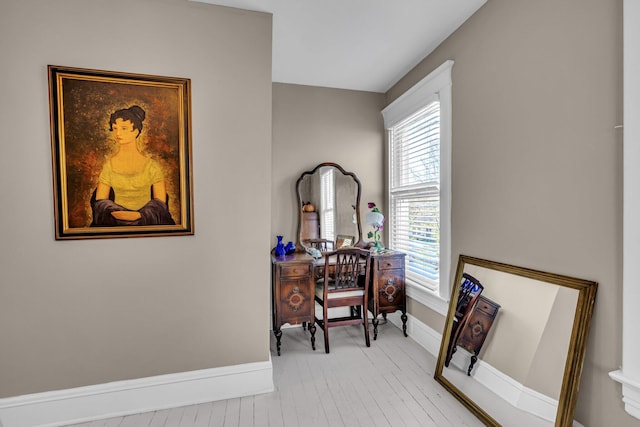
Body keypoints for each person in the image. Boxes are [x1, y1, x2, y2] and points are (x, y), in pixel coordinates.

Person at [91, 105, 175, 226]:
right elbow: (100, 202)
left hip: (146, 222)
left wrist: (140, 215)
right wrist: (117, 213)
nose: (118, 133)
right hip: (115, 220)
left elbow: (160, 204)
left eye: (124, 128)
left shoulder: (152, 166)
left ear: (136, 131)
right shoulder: (109, 166)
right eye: (115, 128)